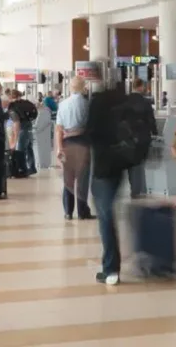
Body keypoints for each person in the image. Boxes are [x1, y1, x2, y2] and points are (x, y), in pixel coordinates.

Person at [87, 78, 157, 285]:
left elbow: (91, 134)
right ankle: (140, 256)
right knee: (118, 210)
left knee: (105, 215)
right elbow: (150, 129)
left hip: (103, 167)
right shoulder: (130, 102)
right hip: (123, 163)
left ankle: (111, 269)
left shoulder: (99, 102)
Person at [55, 76, 92, 220]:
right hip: (83, 142)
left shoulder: (63, 105)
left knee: (68, 178)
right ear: (83, 87)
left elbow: (59, 128)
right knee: (82, 179)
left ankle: (68, 211)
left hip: (67, 142)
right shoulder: (87, 104)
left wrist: (60, 148)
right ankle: (82, 211)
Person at [7, 90, 38, 176]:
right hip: (29, 124)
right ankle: (32, 167)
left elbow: (16, 123)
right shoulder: (24, 103)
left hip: (22, 127)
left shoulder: (13, 107)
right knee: (28, 147)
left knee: (20, 149)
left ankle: (22, 170)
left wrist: (14, 140)